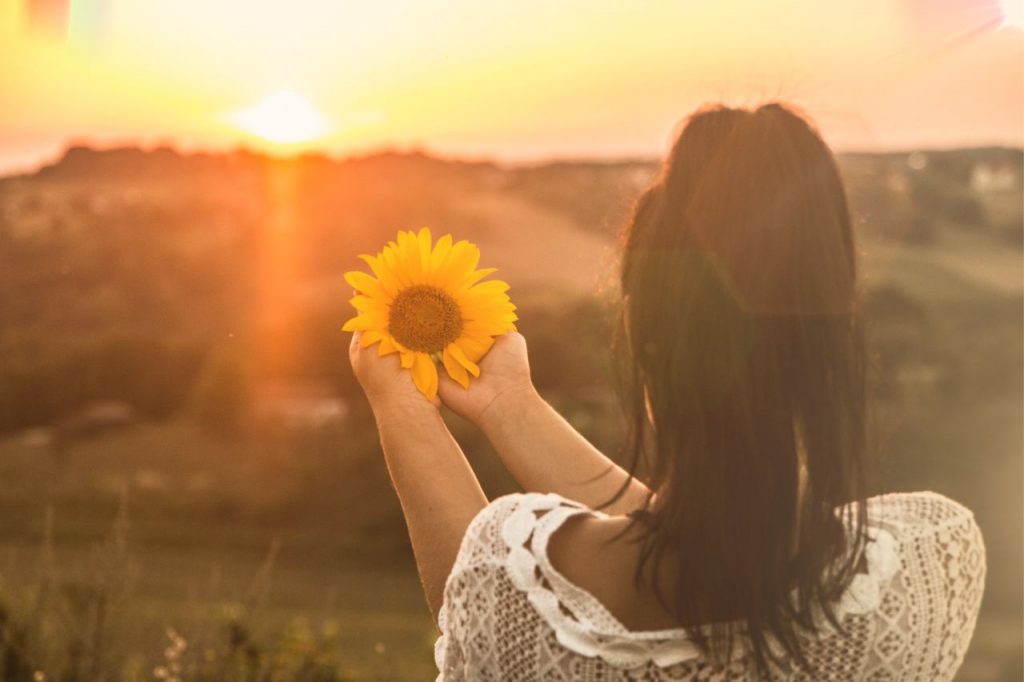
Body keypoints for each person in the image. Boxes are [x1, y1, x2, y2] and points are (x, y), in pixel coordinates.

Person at [346, 102, 987, 681]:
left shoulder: (518, 611)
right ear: (837, 333)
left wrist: (400, 405)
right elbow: (713, 540)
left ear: (643, 334)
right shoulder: (922, 580)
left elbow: (474, 605)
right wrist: (509, 406)